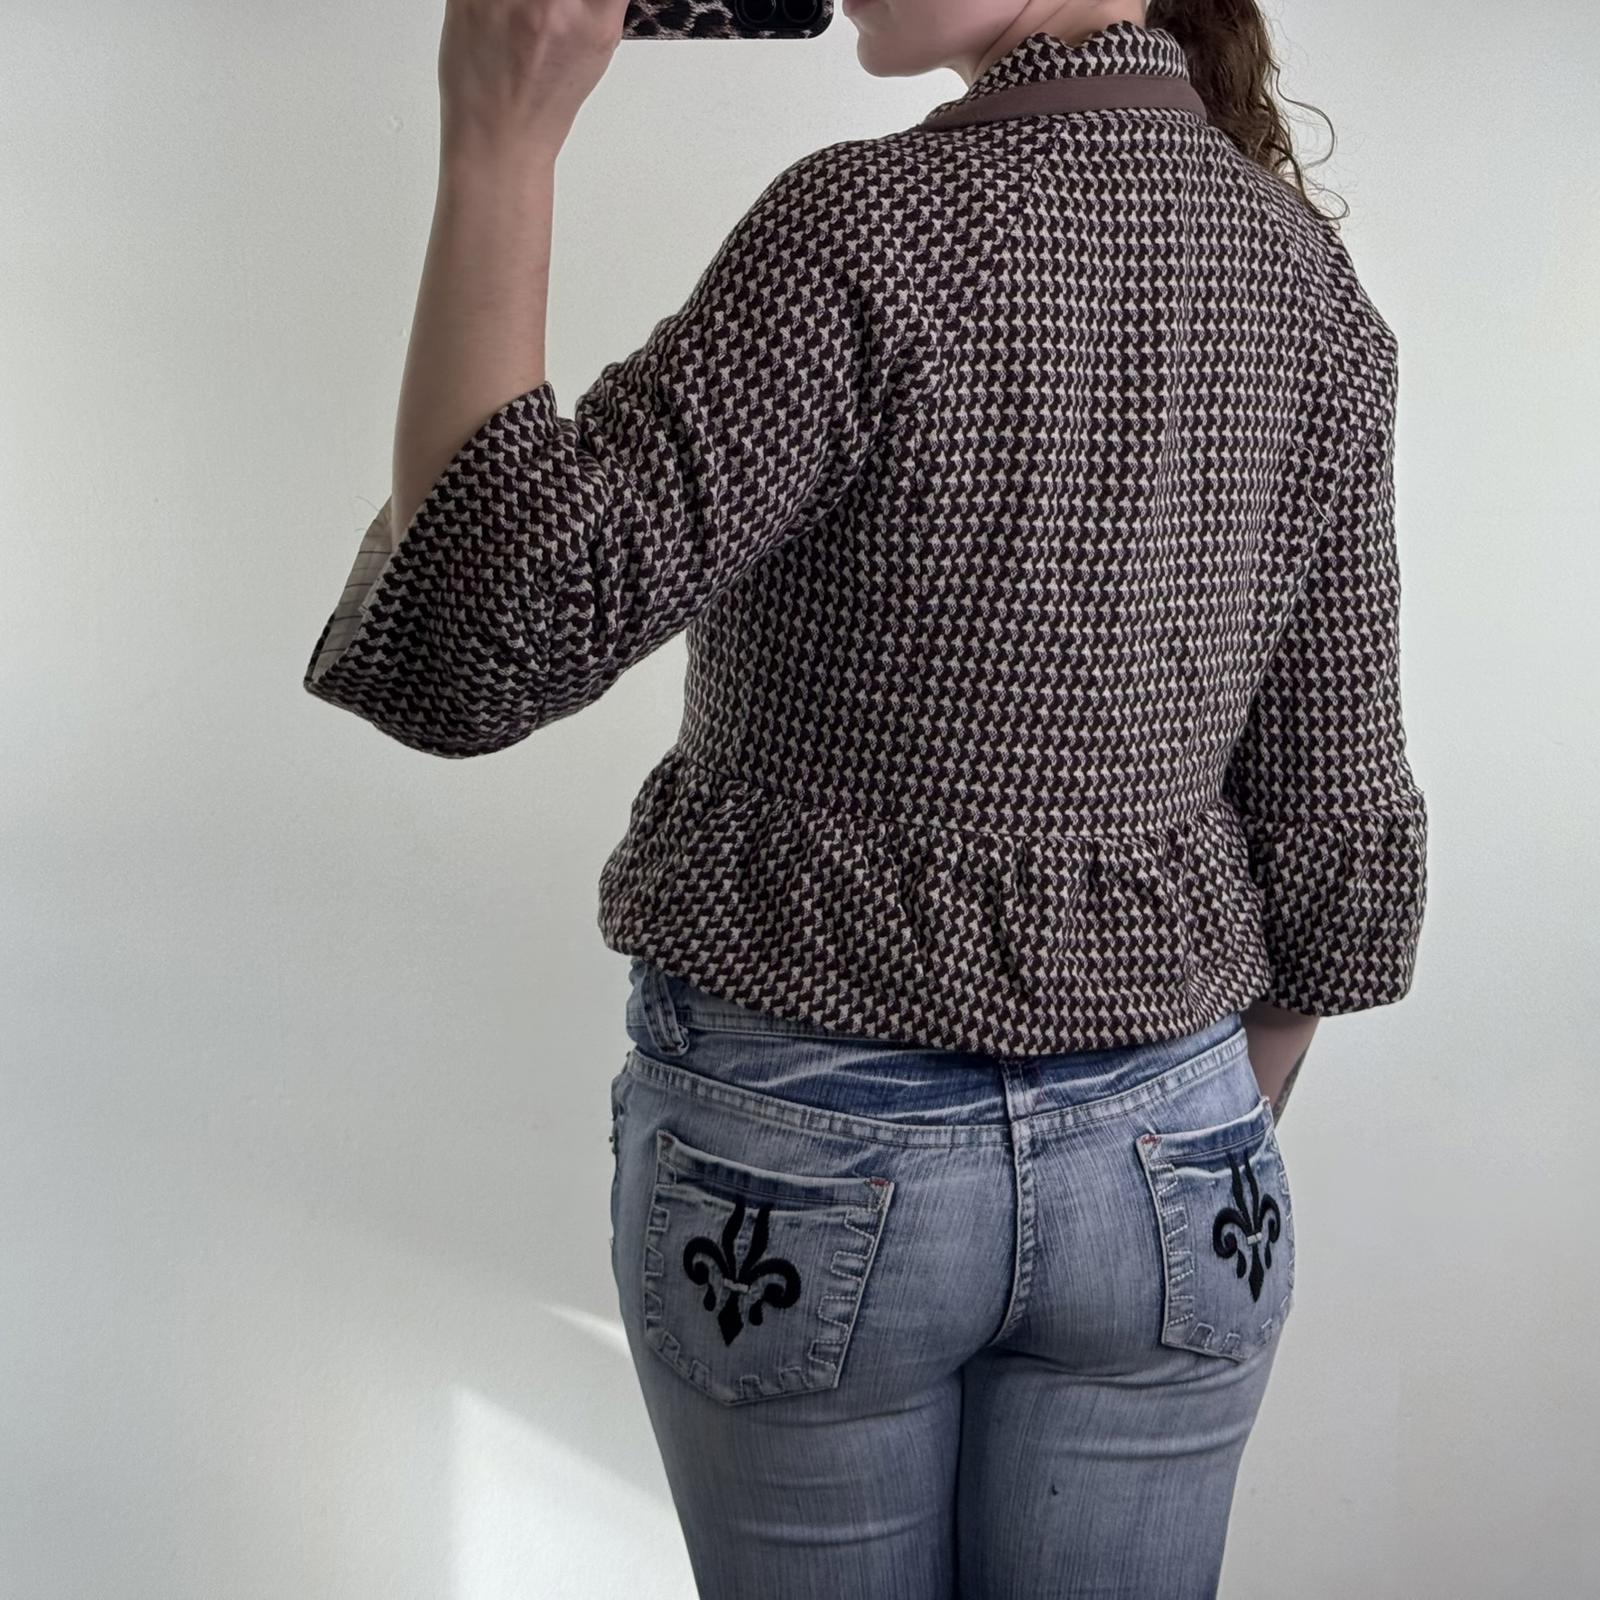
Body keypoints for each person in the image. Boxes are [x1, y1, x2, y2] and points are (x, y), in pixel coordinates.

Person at [303, 0, 1428, 1592]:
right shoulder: (1310, 283)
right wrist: (1147, 1129)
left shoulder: (866, 231)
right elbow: (1337, 818)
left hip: (806, 1160)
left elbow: (495, 631)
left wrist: (501, 140)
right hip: (1182, 1168)